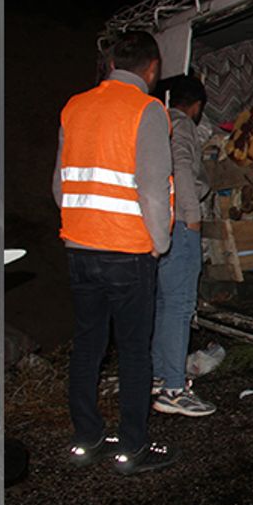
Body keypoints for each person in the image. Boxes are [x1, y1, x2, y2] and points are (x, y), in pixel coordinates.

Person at [53, 31, 175, 475]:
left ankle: (86, 438)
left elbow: (59, 185)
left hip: (80, 248)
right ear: (152, 68)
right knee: (134, 352)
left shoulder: (75, 106)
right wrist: (160, 243)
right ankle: (133, 448)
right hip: (128, 251)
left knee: (88, 345)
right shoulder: (148, 110)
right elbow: (153, 189)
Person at [150, 75, 216, 417]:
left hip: (158, 223)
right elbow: (183, 170)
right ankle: (175, 389)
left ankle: (160, 375)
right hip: (180, 223)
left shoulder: (154, 121)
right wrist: (193, 219)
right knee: (179, 306)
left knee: (162, 304)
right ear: (196, 106)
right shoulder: (181, 124)